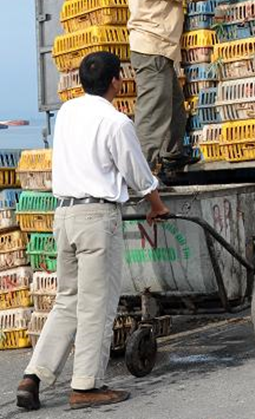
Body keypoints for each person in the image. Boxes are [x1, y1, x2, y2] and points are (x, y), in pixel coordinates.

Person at [15, 52, 170, 411]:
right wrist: (157, 206)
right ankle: (86, 386)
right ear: (117, 80)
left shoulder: (67, 113)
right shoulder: (116, 122)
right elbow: (138, 174)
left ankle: (33, 376)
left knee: (67, 301)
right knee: (97, 306)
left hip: (65, 216)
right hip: (97, 219)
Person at [127, 0, 244, 173]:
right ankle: (140, 175)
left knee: (175, 108)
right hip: (153, 49)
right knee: (153, 115)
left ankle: (172, 155)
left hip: (158, 50)